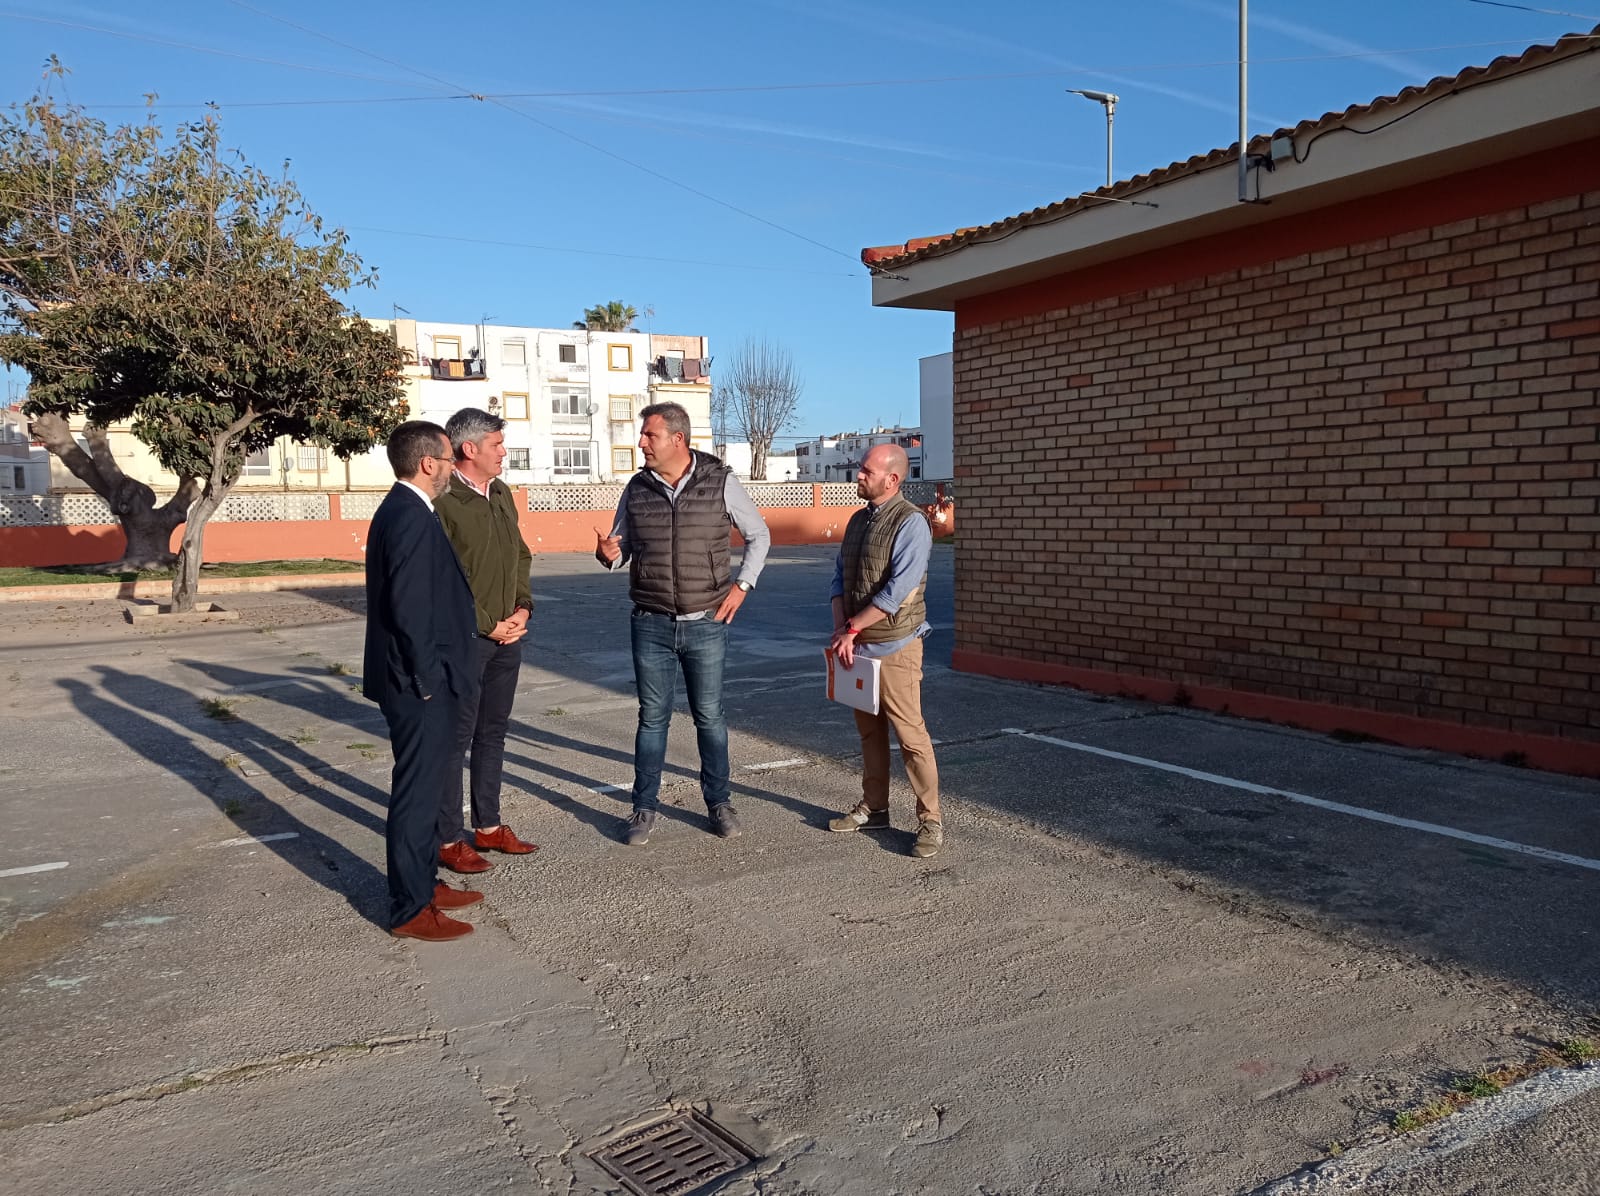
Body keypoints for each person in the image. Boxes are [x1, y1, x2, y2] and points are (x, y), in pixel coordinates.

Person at [594, 402, 771, 847]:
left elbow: (759, 535)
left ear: (677, 439)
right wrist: (609, 555)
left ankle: (719, 802)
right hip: (650, 622)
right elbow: (621, 547)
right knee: (651, 719)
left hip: (705, 621)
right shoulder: (636, 488)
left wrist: (742, 587)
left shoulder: (720, 481)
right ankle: (644, 807)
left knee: (709, 717)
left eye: (649, 435)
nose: (641, 443)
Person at [363, 421, 483, 941]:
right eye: (449, 459)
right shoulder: (408, 515)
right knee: (415, 796)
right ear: (428, 463)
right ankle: (410, 908)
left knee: (430, 787)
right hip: (417, 683)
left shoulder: (409, 509)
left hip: (421, 677)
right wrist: (428, 678)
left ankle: (425, 883)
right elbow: (408, 607)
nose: (455, 467)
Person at [433, 407, 540, 876]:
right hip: (466, 639)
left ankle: (489, 825)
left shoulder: (499, 492)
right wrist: (483, 623)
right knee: (454, 739)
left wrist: (522, 608)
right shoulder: (442, 499)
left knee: (493, 732)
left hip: (508, 634)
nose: (504, 452)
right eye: (497, 445)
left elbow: (518, 552)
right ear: (469, 449)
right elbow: (441, 577)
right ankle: (447, 837)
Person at [826, 443, 943, 858]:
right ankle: (874, 808)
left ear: (892, 479)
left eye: (866, 470)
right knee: (869, 734)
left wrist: (853, 627)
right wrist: (845, 629)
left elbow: (897, 593)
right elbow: (840, 577)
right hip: (858, 646)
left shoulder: (911, 523)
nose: (858, 475)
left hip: (896, 647)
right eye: (860, 469)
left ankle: (930, 820)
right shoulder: (858, 520)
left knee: (911, 736)